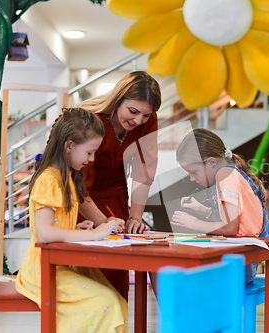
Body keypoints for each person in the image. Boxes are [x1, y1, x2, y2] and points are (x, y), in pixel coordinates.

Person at [15, 108, 128, 332]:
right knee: (106, 303)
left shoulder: (65, 176)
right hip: (43, 269)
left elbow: (53, 226)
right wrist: (93, 233)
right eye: (89, 153)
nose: (92, 159)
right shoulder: (48, 180)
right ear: (69, 145)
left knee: (117, 301)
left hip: (60, 263)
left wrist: (75, 227)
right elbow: (44, 233)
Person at [79, 70, 162, 298]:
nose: (138, 121)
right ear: (117, 100)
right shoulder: (89, 118)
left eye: (145, 116)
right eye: (133, 111)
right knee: (88, 263)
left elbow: (144, 172)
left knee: (115, 266)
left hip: (115, 193)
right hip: (81, 196)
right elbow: (77, 187)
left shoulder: (148, 121)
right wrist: (103, 222)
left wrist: (135, 217)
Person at [171, 128, 269, 283]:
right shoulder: (228, 174)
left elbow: (230, 228)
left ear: (211, 162)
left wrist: (194, 223)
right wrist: (202, 210)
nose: (191, 178)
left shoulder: (225, 175)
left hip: (237, 265)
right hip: (239, 261)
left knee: (179, 273)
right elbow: (233, 221)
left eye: (193, 172)